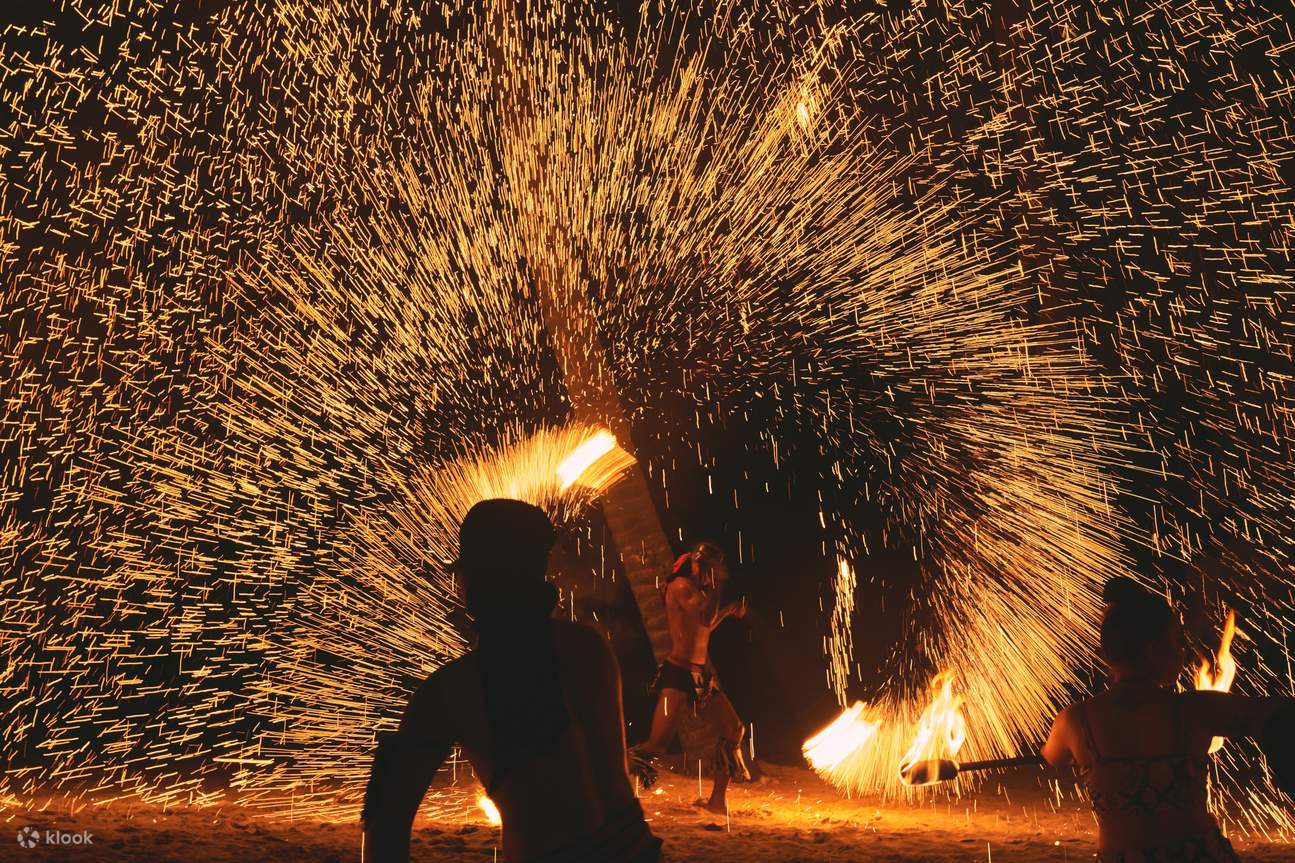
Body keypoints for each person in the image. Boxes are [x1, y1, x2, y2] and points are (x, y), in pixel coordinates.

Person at [362, 499, 662, 863]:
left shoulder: (451, 689)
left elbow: (385, 824)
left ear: (470, 580)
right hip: (639, 853)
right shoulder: (590, 647)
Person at [1042, 576, 1291, 862]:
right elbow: (1275, 714)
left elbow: (1054, 757)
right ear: (1152, 651)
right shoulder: (1196, 709)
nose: (1183, 652)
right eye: (1176, 641)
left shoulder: (1075, 720)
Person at [629, 541, 749, 814]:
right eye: (706, 568)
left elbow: (704, 626)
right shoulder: (682, 586)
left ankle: (717, 801)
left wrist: (727, 611)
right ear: (694, 564)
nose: (708, 573)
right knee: (655, 745)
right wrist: (719, 585)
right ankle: (607, 785)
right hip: (678, 673)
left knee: (734, 730)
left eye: (712, 570)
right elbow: (704, 618)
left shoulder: (698, 591)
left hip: (699, 676)